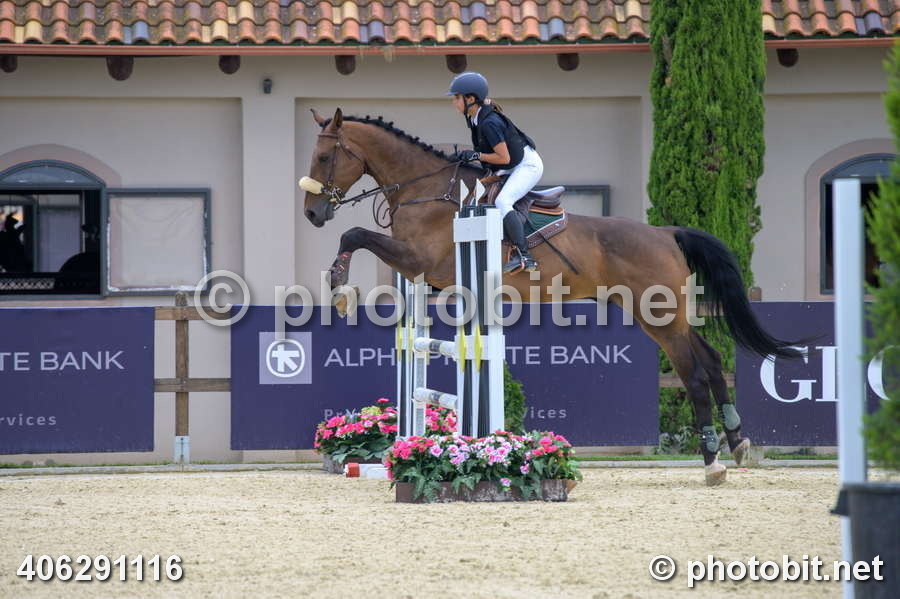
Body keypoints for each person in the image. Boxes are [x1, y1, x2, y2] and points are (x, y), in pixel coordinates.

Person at [446, 72, 543, 273]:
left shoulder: (489, 122)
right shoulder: (475, 117)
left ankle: (525, 256)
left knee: (503, 201)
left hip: (526, 167)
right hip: (510, 166)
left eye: (456, 97)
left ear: (470, 99)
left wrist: (476, 155)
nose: (453, 102)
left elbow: (504, 158)